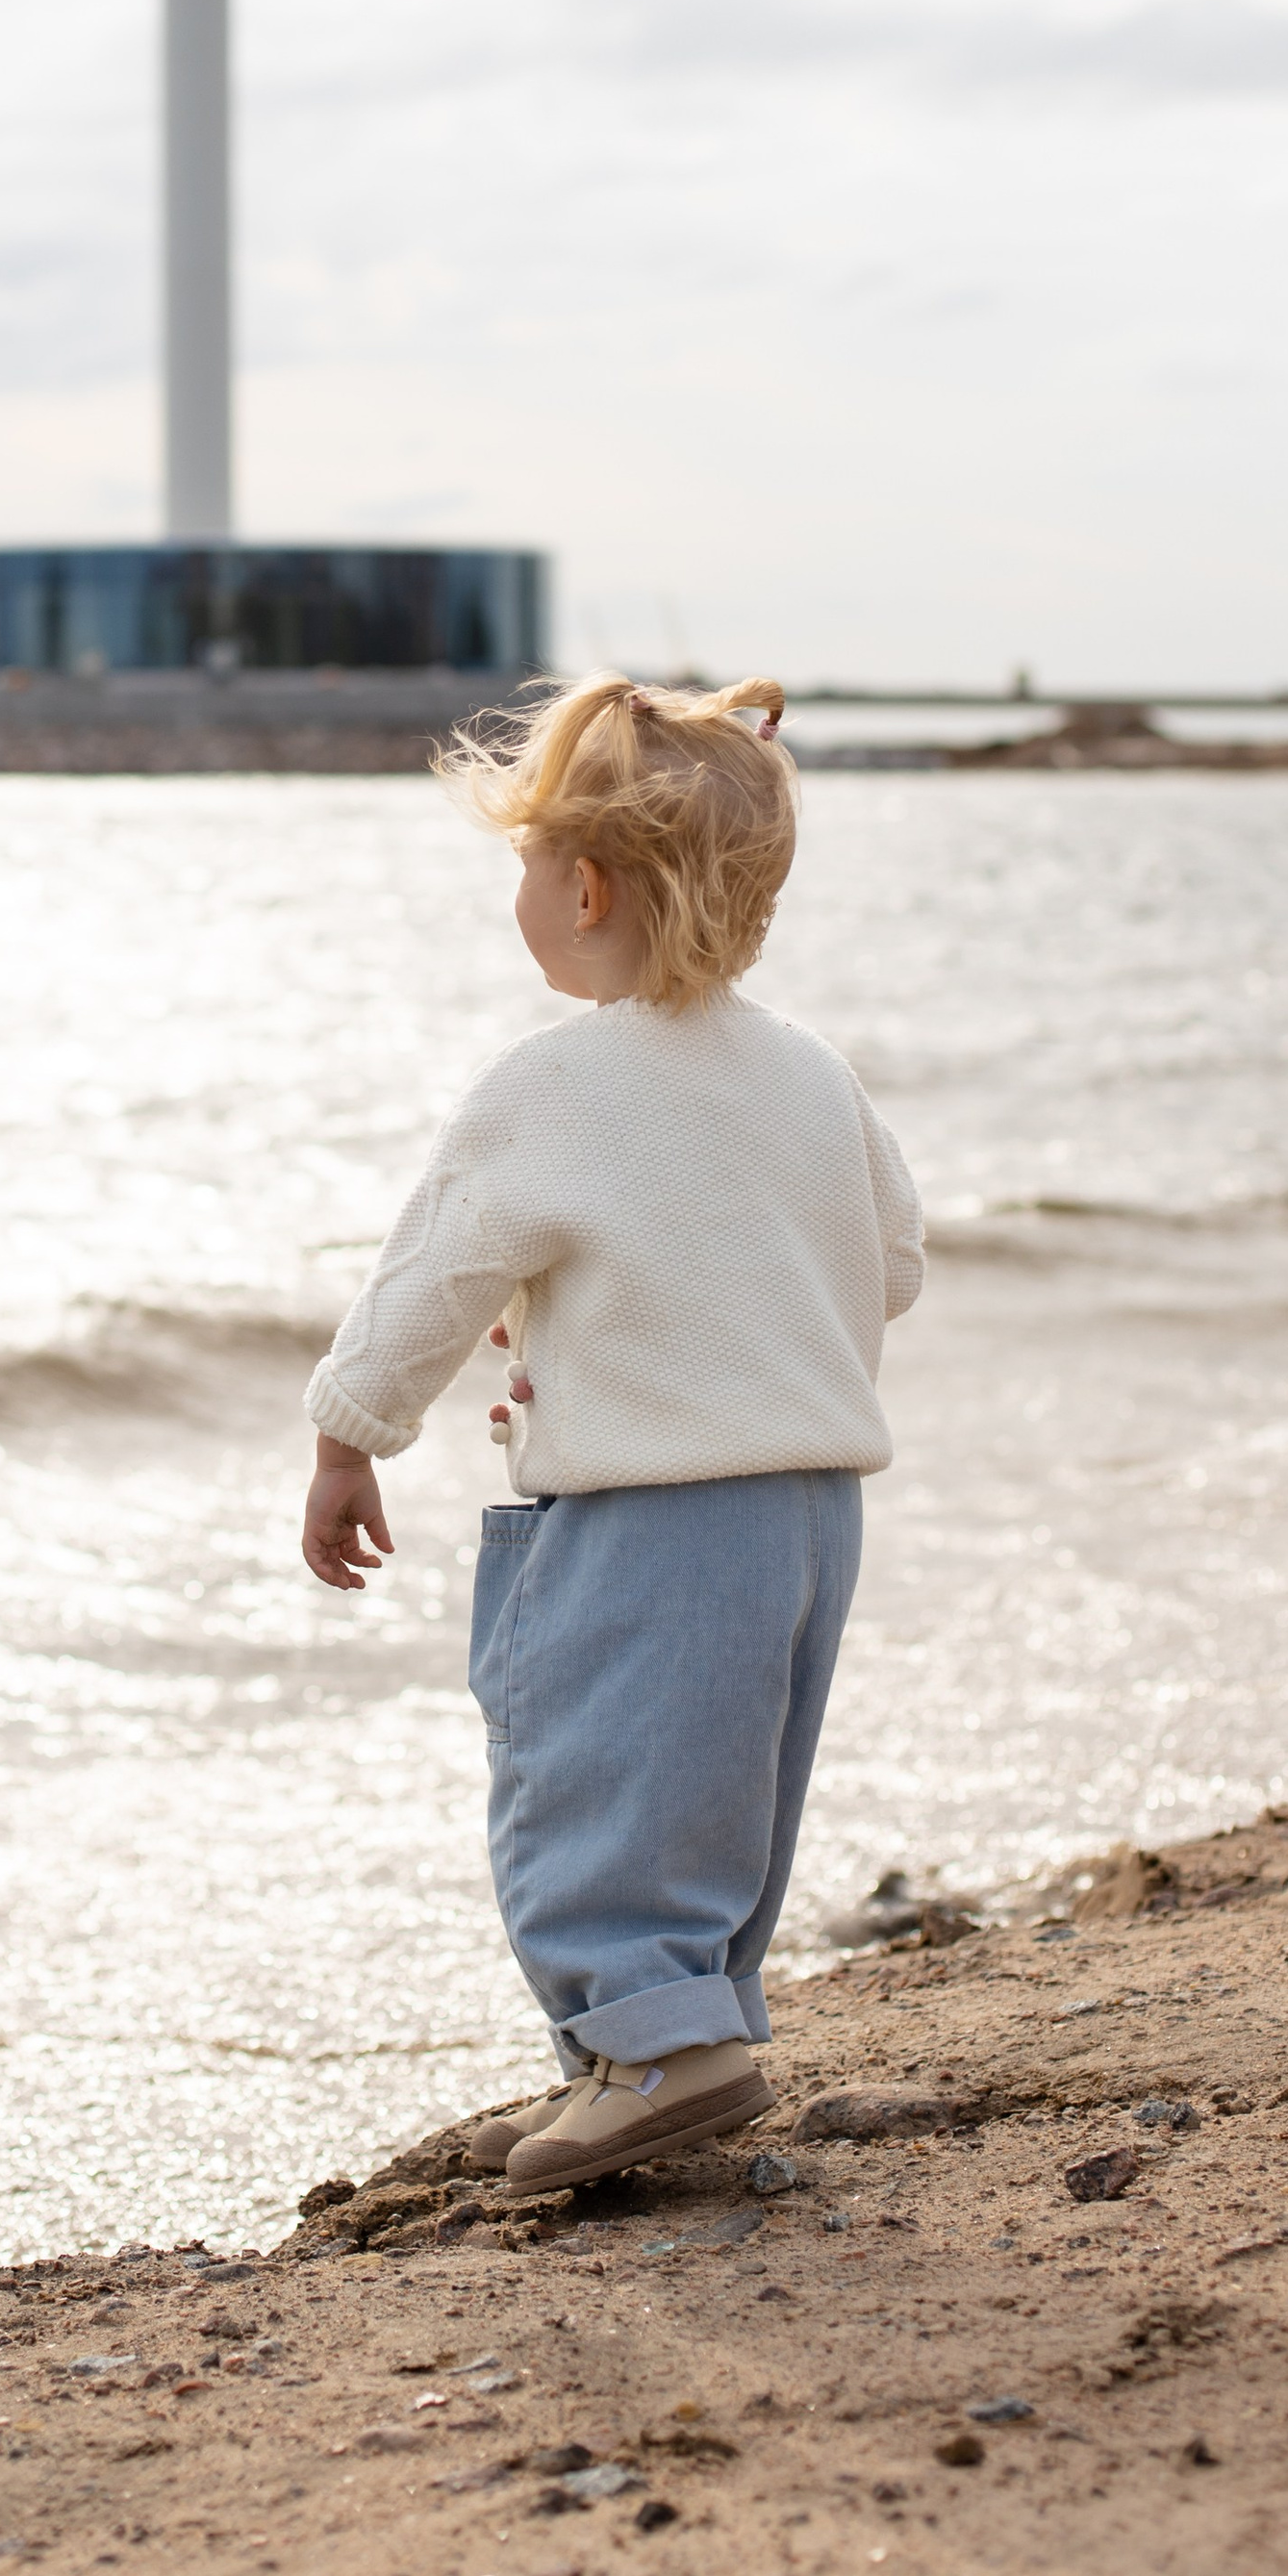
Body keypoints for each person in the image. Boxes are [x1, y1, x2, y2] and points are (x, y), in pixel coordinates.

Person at [299, 670, 923, 2195]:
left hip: (653, 1511)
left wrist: (348, 1435)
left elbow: (432, 1275)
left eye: (524, 865)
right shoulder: (811, 1069)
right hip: (810, 1512)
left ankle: (654, 2049)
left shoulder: (553, 1082)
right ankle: (671, 2035)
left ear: (581, 887)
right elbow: (889, 1259)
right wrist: (688, 1316)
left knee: (584, 1763)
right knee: (719, 1782)